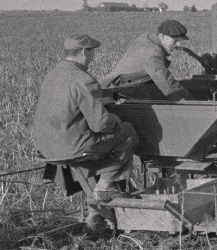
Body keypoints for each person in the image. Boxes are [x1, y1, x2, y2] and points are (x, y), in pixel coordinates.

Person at [33, 35, 138, 227]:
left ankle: (95, 214)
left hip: (47, 146)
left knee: (99, 145)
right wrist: (115, 117)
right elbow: (101, 124)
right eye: (92, 53)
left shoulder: (53, 74)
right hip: (73, 146)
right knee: (127, 130)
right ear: (84, 52)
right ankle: (106, 185)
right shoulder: (83, 79)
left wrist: (100, 104)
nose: (92, 58)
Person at [102, 19, 190, 100]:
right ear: (162, 36)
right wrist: (188, 101)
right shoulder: (152, 53)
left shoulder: (148, 38)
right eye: (174, 41)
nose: (178, 44)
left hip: (127, 84)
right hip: (119, 89)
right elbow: (165, 81)